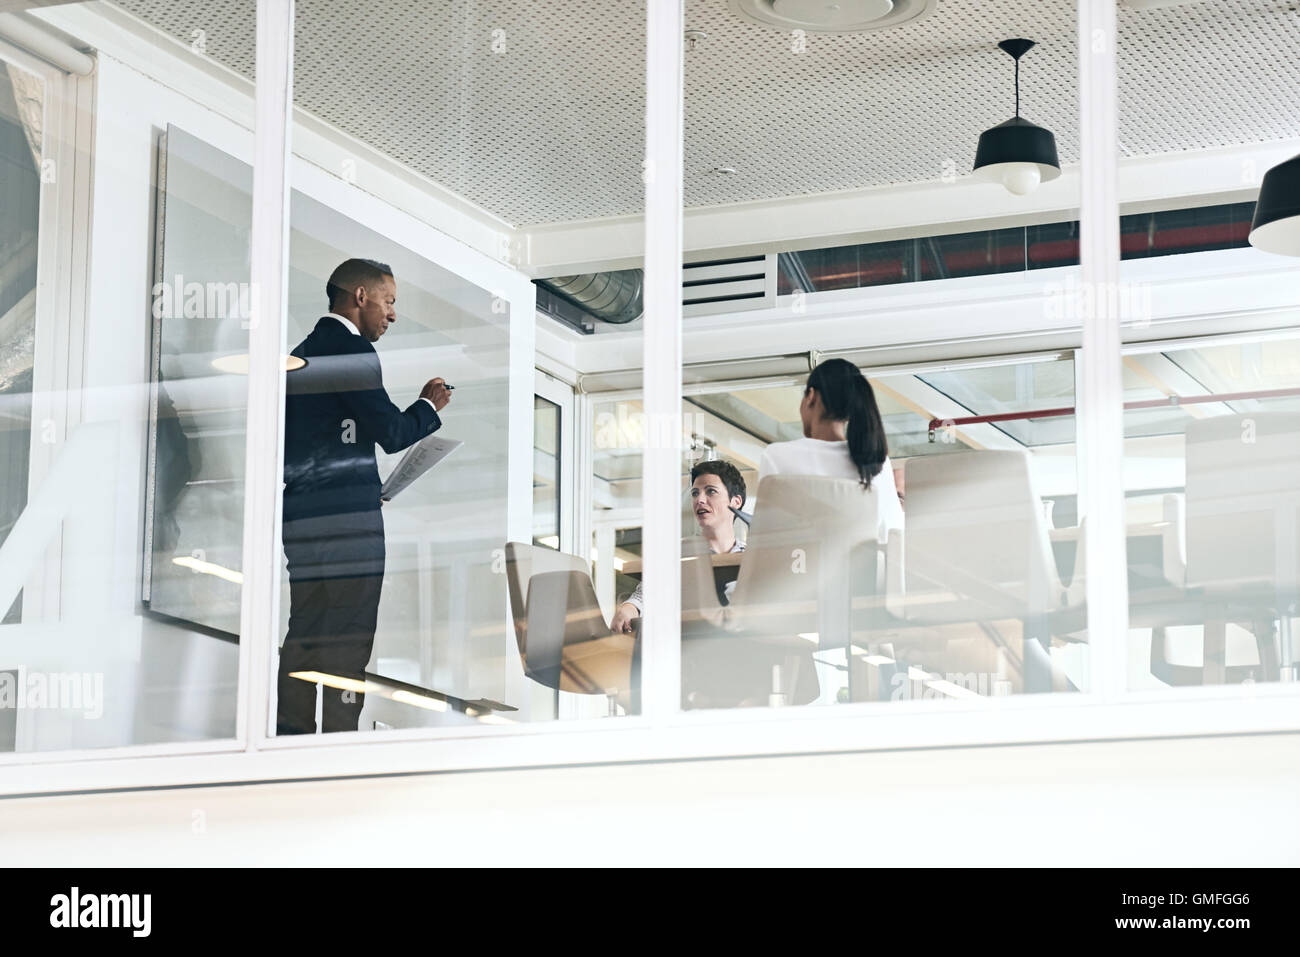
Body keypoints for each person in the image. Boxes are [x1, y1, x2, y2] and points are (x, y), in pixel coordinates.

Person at [277, 258, 452, 734]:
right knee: (349, 637)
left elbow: (320, 443)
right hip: (348, 524)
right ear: (360, 296)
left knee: (305, 630)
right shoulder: (351, 351)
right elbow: (392, 432)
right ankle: (339, 744)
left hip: (301, 515)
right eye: (389, 301)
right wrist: (427, 406)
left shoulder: (300, 353)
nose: (392, 314)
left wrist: (355, 484)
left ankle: (291, 736)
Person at [757, 357, 904, 538]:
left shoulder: (776, 456)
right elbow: (894, 534)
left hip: (798, 564)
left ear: (811, 396)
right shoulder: (876, 464)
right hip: (863, 566)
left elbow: (765, 537)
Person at [609, 458, 747, 635]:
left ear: (736, 502)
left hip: (742, 647)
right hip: (687, 648)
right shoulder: (679, 553)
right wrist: (627, 609)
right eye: (695, 493)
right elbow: (647, 594)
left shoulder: (753, 556)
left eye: (710, 491)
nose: (700, 500)